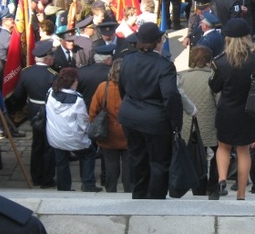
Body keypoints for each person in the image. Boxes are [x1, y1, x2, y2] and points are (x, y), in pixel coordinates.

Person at [118, 22, 183, 199]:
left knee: (137, 158)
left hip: (130, 117)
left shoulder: (127, 60)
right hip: (156, 120)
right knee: (159, 162)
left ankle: (139, 195)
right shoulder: (164, 65)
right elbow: (170, 95)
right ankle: (155, 199)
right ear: (158, 42)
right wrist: (176, 123)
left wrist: (130, 105)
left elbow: (122, 88)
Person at [208, 18, 255, 200]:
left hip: (227, 112)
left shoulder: (220, 63)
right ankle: (241, 193)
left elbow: (214, 87)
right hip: (249, 112)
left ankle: (221, 178)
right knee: (243, 151)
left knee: (223, 147)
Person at [45, 67, 101, 192]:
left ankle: (63, 188)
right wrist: (89, 132)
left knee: (61, 161)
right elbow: (83, 122)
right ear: (72, 82)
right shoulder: (77, 100)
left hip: (55, 135)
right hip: (73, 137)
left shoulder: (51, 92)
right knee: (89, 154)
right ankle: (88, 183)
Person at [12, 40, 58, 189]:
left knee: (37, 143)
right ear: (47, 59)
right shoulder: (53, 75)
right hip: (48, 110)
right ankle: (47, 179)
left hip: (33, 110)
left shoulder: (26, 72)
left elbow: (18, 94)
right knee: (49, 145)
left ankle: (36, 176)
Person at [178, 46, 219, 196]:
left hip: (189, 124)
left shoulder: (181, 77)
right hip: (209, 124)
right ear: (209, 60)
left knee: (195, 157)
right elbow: (219, 102)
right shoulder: (212, 78)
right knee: (217, 153)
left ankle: (199, 188)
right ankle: (213, 185)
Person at [89, 59, 131, 193]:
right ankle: (129, 192)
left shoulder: (103, 87)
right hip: (128, 133)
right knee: (129, 168)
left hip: (108, 133)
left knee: (110, 167)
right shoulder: (132, 87)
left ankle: (111, 191)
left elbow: (93, 111)